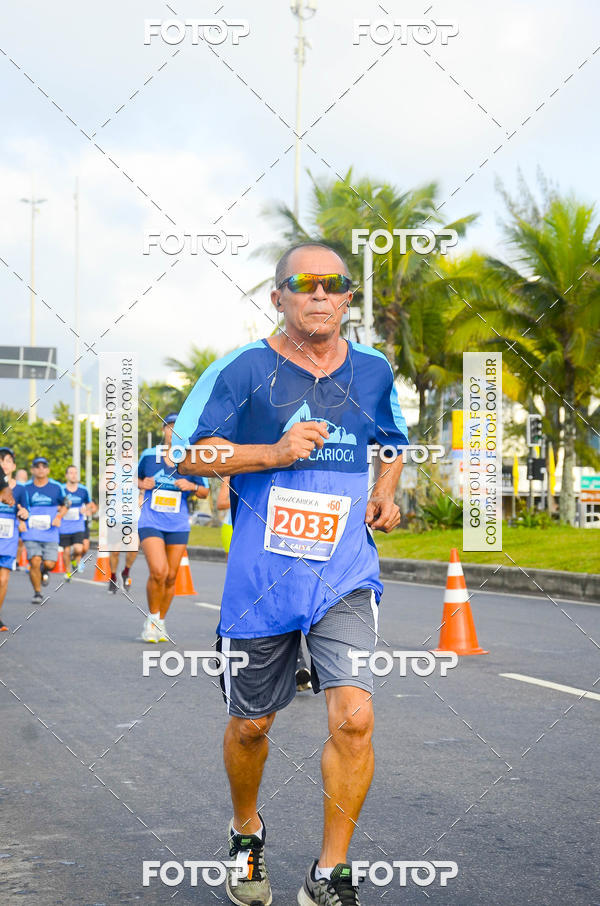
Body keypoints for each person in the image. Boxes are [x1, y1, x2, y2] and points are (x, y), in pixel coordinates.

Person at [174, 243, 408, 906]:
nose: (320, 294)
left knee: (355, 718)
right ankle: (246, 830)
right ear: (277, 297)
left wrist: (386, 489)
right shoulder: (243, 369)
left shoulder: (373, 370)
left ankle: (329, 871)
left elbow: (392, 438)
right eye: (303, 284)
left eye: (334, 284)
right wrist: (271, 451)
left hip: (344, 572)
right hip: (262, 581)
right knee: (252, 726)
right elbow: (186, 454)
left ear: (347, 297)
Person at [138, 413, 209, 642]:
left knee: (170, 576)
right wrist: (142, 483)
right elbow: (129, 478)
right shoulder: (149, 456)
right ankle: (151, 618)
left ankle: (160, 622)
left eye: (179, 428)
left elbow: (204, 490)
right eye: (170, 427)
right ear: (163, 431)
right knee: (158, 571)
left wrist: (190, 485)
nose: (174, 431)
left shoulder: (191, 459)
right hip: (151, 520)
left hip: (178, 522)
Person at [21, 457, 69, 604]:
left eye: (44, 466)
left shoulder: (56, 487)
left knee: (50, 564)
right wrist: (20, 521)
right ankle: (37, 593)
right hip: (31, 531)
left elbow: (66, 503)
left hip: (50, 532)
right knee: (34, 561)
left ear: (48, 470)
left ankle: (44, 570)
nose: (40, 469)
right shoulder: (25, 488)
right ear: (32, 470)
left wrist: (59, 516)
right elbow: (17, 505)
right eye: (37, 466)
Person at [0, 449, 29, 630]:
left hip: (8, 538)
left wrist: (24, 514)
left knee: (3, 580)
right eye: (1, 461)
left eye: (8, 461)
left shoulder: (20, 489)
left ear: (14, 466)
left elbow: (25, 511)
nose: (4, 464)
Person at [60, 465, 91, 580]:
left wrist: (86, 510)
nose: (74, 475)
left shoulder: (83, 490)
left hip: (78, 524)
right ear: (66, 475)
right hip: (64, 525)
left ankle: (74, 560)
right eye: (71, 473)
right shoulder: (61, 490)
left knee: (79, 549)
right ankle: (68, 573)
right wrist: (62, 510)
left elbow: (89, 505)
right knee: (66, 550)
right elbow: (57, 505)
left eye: (75, 473)